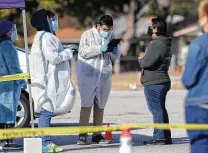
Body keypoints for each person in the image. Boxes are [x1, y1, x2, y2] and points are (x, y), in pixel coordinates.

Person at [30, 9, 76, 153]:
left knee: (46, 111)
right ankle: (45, 143)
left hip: (48, 80)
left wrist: (63, 49)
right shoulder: (46, 37)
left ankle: (45, 142)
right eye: (53, 19)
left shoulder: (45, 36)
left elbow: (53, 53)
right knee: (46, 112)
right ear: (46, 21)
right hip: (47, 81)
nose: (55, 22)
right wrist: (67, 53)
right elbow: (53, 57)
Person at [76, 15, 120, 145]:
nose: (107, 31)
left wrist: (115, 50)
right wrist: (99, 49)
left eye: (110, 29)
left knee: (100, 104)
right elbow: (83, 52)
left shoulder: (111, 35)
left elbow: (114, 57)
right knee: (86, 104)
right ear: (99, 26)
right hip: (88, 75)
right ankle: (82, 135)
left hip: (104, 75)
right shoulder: (87, 35)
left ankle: (97, 135)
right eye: (105, 29)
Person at [138, 17, 172, 145]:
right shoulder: (164, 42)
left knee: (156, 110)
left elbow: (147, 62)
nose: (149, 28)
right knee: (160, 109)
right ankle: (165, 136)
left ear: (156, 28)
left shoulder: (157, 43)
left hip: (155, 82)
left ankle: (159, 137)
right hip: (161, 80)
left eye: (151, 26)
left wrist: (141, 59)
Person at [182, 1, 208, 152]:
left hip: (200, 106)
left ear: (204, 17)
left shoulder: (199, 44)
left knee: (200, 146)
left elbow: (188, 79)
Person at [0, 20, 26, 150]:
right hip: (9, 86)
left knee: (2, 114)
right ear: (7, 32)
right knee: (9, 115)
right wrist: (22, 81)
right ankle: (8, 142)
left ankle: (2, 142)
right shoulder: (8, 46)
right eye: (13, 29)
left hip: (2, 84)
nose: (14, 32)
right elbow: (13, 67)